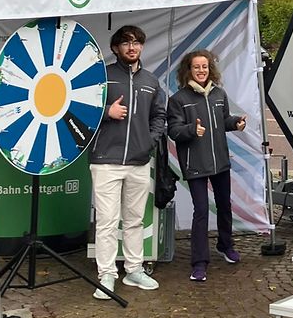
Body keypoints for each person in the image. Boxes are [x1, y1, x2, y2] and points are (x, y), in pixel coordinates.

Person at [89, 24, 166, 299]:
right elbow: (80, 110)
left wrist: (149, 142)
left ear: (142, 47)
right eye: (126, 43)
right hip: (105, 160)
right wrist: (106, 112)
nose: (132, 47)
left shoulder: (151, 81)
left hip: (138, 161)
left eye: (137, 43)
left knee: (134, 220)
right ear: (115, 48)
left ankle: (134, 269)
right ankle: (107, 274)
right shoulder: (101, 77)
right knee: (107, 221)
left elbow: (160, 117)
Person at [167, 49, 247, 280]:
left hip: (220, 162)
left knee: (225, 205)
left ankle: (225, 245)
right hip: (195, 165)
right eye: (196, 67)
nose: (201, 71)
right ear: (188, 71)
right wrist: (192, 130)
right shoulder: (178, 100)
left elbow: (223, 121)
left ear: (210, 69)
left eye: (205, 66)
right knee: (201, 211)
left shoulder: (219, 94)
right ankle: (199, 262)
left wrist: (236, 123)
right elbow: (174, 131)